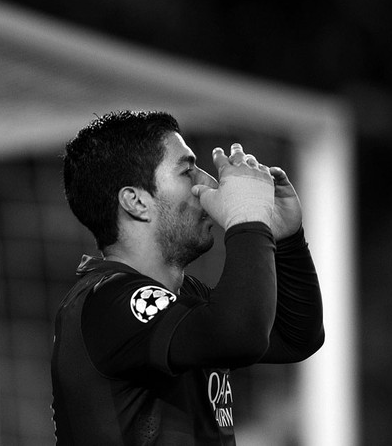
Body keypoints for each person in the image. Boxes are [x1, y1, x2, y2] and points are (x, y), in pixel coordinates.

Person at [51, 110, 324, 445]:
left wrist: (285, 239)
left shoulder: (180, 295)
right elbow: (241, 336)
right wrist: (247, 219)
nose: (208, 183)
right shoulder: (108, 303)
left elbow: (295, 335)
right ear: (136, 202)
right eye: (187, 171)